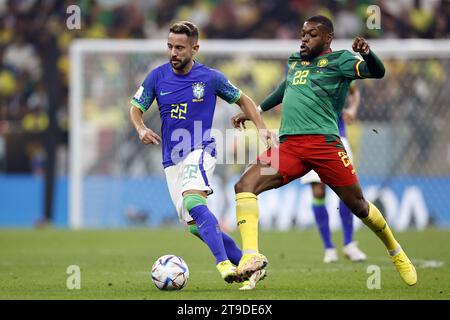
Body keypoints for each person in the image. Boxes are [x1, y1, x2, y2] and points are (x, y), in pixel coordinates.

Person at [231, 15, 417, 286]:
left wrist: (367, 53)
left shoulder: (340, 60)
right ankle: (250, 257)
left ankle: (395, 250)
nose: (304, 38)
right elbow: (285, 87)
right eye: (303, 33)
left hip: (325, 145)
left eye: (312, 34)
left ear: (328, 38)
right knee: (244, 185)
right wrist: (255, 111)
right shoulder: (295, 61)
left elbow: (377, 72)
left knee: (359, 206)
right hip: (290, 147)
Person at [129, 21, 274, 289]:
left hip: (201, 147)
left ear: (195, 48)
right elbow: (136, 107)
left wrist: (262, 129)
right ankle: (249, 263)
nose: (174, 52)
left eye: (180, 48)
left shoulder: (211, 78)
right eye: (170, 46)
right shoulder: (157, 77)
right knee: (195, 225)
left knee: (194, 198)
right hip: (171, 159)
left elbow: (244, 100)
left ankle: (224, 266)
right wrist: (140, 128)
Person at [301, 82, 367, 263]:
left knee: (347, 193)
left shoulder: (336, 68)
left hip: (337, 137)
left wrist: (352, 109)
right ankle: (329, 247)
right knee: (318, 191)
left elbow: (354, 91)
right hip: (310, 138)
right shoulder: (299, 68)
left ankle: (349, 244)